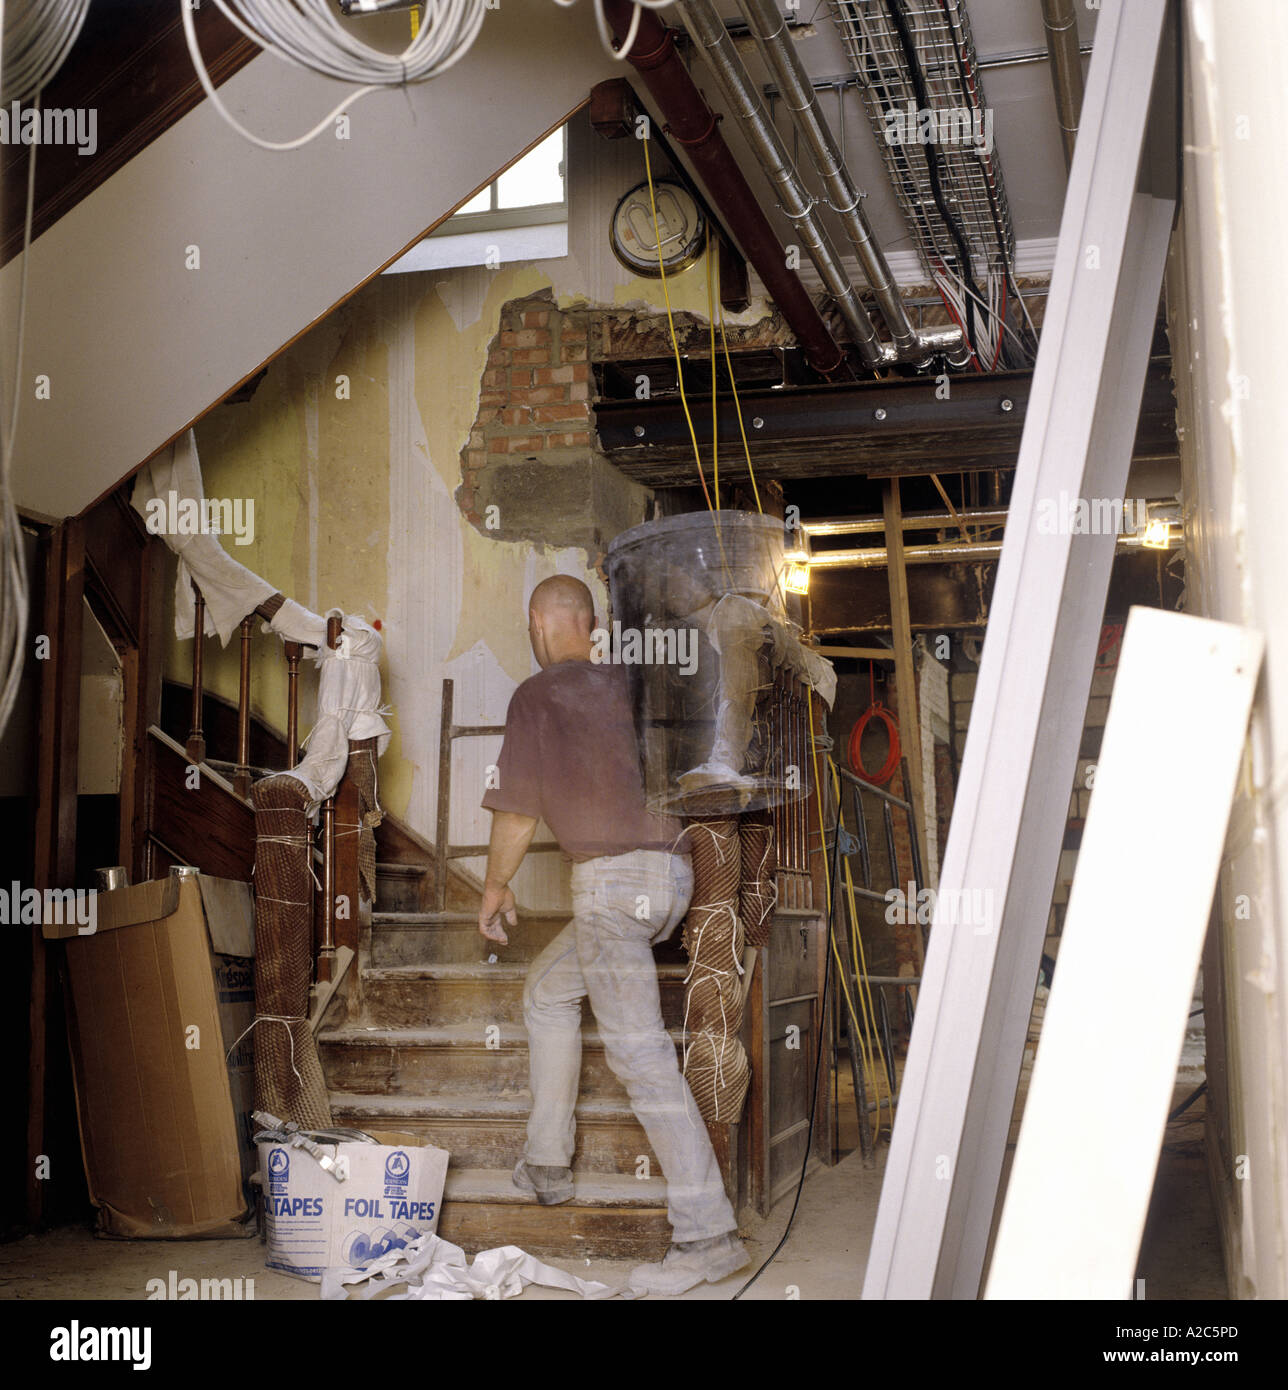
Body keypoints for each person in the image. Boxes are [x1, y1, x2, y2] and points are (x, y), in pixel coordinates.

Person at [478, 574, 749, 1295]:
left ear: (540, 621)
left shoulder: (539, 695)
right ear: (590, 623)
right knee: (549, 991)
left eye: (531, 625)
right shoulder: (636, 684)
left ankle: (708, 1233)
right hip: (669, 880)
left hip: (609, 890)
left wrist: (495, 887)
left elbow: (514, 815)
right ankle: (548, 1161)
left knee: (640, 1058)